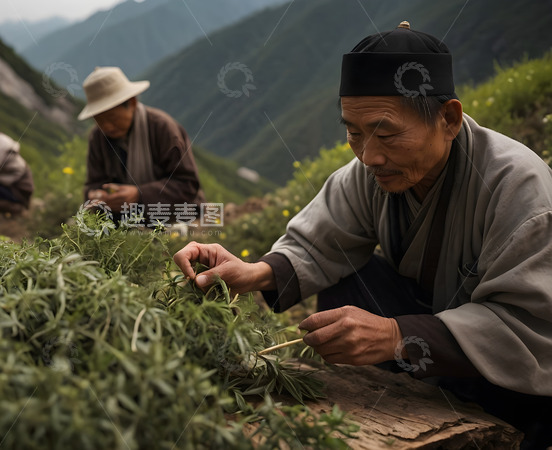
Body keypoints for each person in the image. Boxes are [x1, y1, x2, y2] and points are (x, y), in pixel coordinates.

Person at [174, 22, 552, 448]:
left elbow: (530, 326)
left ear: (448, 119)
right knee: (349, 280)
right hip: (432, 354)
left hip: (509, 378)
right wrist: (254, 272)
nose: (369, 156)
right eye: (353, 133)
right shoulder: (371, 174)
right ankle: (398, 403)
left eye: (386, 133)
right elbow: (320, 242)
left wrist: (395, 335)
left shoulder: (518, 189)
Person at [78, 66, 205, 225]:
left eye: (112, 118)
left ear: (131, 103)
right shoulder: (97, 138)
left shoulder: (163, 128)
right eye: (99, 120)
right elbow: (93, 183)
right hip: (127, 217)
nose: (107, 126)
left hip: (174, 214)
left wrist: (139, 195)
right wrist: (97, 195)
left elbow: (188, 185)